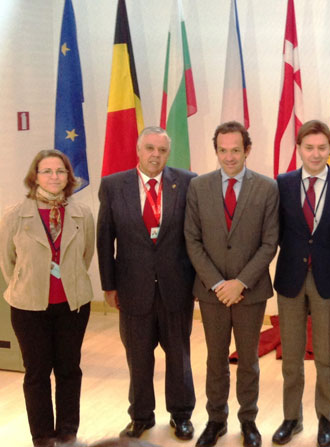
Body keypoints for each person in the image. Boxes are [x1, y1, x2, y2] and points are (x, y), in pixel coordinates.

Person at [96, 127, 197, 440]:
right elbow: (104, 238)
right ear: (138, 151)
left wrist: (197, 284)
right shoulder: (114, 185)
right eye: (150, 148)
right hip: (132, 288)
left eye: (162, 150)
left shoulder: (188, 182)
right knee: (138, 357)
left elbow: (195, 237)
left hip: (176, 287)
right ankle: (140, 416)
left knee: (179, 357)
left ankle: (181, 415)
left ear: (168, 153)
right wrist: (109, 285)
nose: (156, 155)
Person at [184, 121, 279, 447]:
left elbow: (269, 243)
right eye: (222, 150)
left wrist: (240, 283)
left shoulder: (266, 188)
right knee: (215, 359)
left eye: (235, 150)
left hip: (250, 292)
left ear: (247, 150)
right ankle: (216, 420)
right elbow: (192, 240)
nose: (229, 157)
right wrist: (216, 283)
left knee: (248, 360)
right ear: (216, 151)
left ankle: (248, 420)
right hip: (211, 293)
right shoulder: (198, 187)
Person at [272, 120, 330, 447]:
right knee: (291, 356)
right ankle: (291, 419)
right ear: (299, 148)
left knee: (325, 356)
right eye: (309, 147)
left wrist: (328, 259)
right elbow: (277, 230)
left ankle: (325, 419)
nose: (315, 153)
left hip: (327, 278)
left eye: (322, 147)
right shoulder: (283, 183)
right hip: (290, 277)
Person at [0, 150, 94, 447]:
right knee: (36, 372)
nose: (54, 176)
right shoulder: (14, 215)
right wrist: (27, 283)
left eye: (60, 171)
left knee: (69, 369)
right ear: (35, 176)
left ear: (69, 176)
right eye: (47, 171)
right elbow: (7, 263)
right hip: (29, 307)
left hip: (72, 305)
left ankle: (67, 432)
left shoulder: (82, 213)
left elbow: (85, 255)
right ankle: (41, 436)